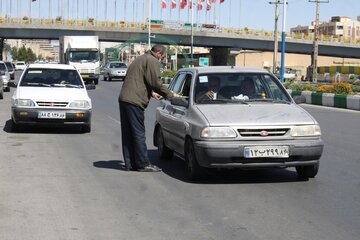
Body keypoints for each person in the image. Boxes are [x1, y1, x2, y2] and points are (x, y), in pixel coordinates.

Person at [118, 44, 175, 172]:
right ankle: (143, 164)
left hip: (125, 98)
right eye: (162, 57)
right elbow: (155, 82)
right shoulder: (152, 60)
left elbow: (139, 80)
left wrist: (151, 93)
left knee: (128, 133)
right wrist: (170, 96)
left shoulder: (141, 58)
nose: (161, 60)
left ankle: (130, 163)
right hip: (134, 100)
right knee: (138, 133)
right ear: (159, 53)